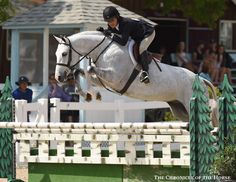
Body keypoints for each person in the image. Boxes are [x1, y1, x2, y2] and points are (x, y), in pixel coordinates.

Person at [97, 6, 156, 84]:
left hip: (147, 33)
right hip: (136, 36)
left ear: (117, 17)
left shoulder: (125, 24)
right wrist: (103, 30)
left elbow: (123, 42)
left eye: (112, 20)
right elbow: (110, 31)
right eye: (108, 21)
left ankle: (145, 72)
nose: (111, 23)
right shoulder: (112, 25)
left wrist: (110, 35)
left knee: (141, 48)